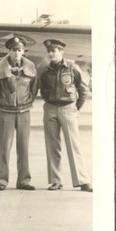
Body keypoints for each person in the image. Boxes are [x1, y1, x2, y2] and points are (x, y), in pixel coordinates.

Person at [37, 39, 92, 192]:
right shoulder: (45, 71)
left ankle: (83, 180)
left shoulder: (72, 68)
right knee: (52, 146)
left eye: (53, 51)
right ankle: (55, 181)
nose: (50, 54)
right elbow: (42, 90)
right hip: (50, 109)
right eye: (48, 51)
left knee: (74, 145)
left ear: (61, 52)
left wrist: (76, 107)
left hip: (68, 108)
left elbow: (83, 90)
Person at [0, 36, 38, 191]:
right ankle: (2, 181)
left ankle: (24, 181)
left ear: (23, 51)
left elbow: (34, 88)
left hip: (24, 112)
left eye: (19, 50)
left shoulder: (31, 66)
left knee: (24, 147)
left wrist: (27, 102)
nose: (16, 53)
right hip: (6, 112)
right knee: (4, 147)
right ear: (9, 51)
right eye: (14, 50)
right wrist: (2, 104)